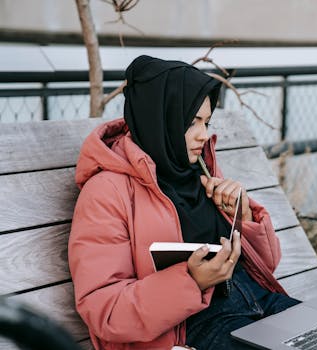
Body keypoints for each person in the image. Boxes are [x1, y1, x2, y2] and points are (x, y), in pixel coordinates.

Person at [68, 55, 300, 350]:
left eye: (207, 121)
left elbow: (266, 266)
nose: (204, 135)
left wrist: (243, 218)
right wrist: (191, 281)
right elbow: (105, 310)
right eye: (192, 122)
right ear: (159, 118)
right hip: (191, 327)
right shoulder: (107, 192)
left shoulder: (197, 170)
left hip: (258, 299)